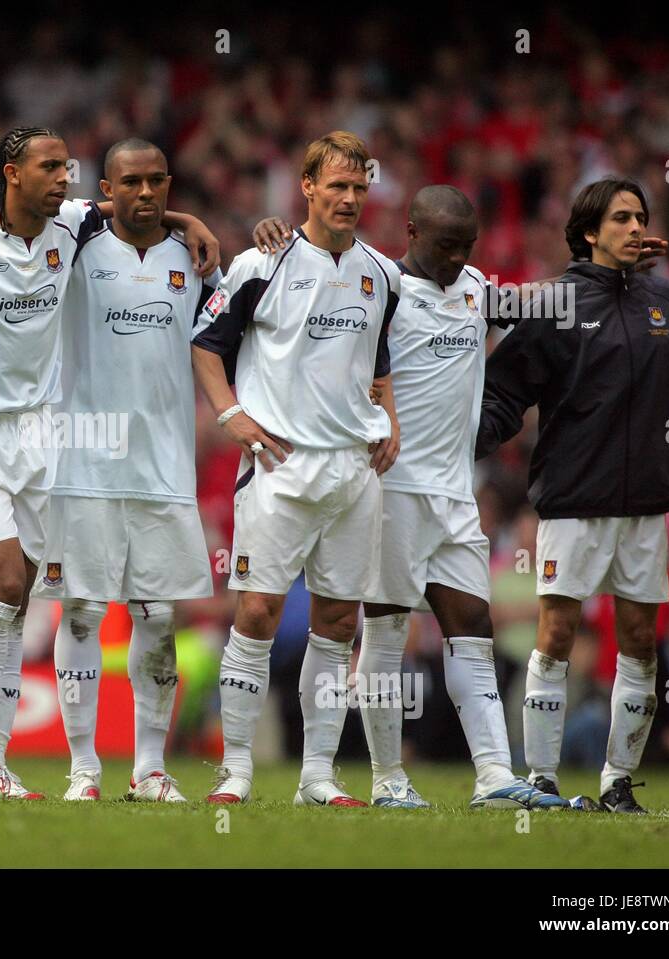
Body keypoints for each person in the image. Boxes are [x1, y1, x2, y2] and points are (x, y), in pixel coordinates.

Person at [0, 125, 219, 799]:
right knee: (3, 587)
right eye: (50, 167)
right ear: (10, 173)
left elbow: (132, 205)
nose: (63, 178)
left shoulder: (72, 226)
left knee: (18, 597)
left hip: (39, 439)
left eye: (67, 168)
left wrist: (188, 219)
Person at [254, 185, 567, 809]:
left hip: (455, 494)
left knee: (472, 626)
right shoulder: (384, 289)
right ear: (414, 233)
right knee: (386, 631)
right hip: (391, 488)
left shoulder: (476, 288)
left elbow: (539, 303)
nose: (457, 258)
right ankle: (387, 777)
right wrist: (273, 236)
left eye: (467, 246)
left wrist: (599, 273)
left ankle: (493, 777)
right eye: (446, 245)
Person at [477, 176, 669, 814]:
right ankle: (542, 779)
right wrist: (463, 444)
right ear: (589, 232)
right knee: (555, 632)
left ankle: (617, 782)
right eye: (621, 218)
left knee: (639, 638)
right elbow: (504, 389)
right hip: (572, 499)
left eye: (641, 217)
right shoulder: (554, 302)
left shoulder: (665, 301)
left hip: (646, 504)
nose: (636, 227)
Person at [192, 131, 400, 807]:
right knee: (256, 610)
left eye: (359, 187)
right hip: (279, 466)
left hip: (354, 471)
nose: (349, 198)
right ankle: (236, 769)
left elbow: (377, 359)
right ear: (307, 186)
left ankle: (317, 776)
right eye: (336, 185)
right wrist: (230, 414)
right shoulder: (260, 263)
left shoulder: (384, 274)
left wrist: (389, 418)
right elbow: (206, 344)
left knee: (338, 622)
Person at [25, 138, 219, 802]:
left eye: (157, 181)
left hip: (163, 465)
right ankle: (83, 767)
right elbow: (39, 206)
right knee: (81, 612)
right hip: (82, 459)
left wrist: (187, 226)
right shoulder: (74, 244)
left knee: (158, 616)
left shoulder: (195, 261)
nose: (145, 192)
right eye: (130, 182)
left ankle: (151, 768)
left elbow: (222, 341)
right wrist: (187, 216)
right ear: (106, 189)